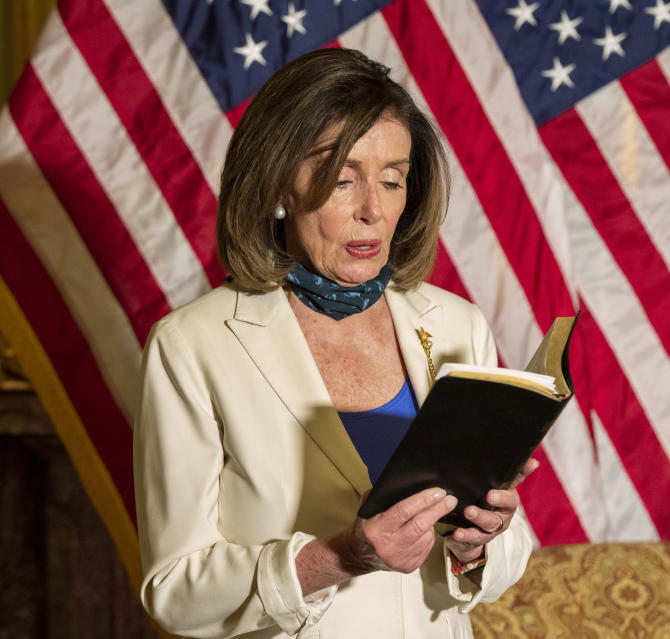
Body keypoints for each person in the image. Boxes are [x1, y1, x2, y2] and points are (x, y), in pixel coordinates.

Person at [134, 48, 536, 639]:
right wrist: (339, 557)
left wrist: (482, 541)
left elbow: (496, 571)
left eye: (392, 180)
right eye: (342, 179)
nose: (373, 210)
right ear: (278, 186)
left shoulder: (457, 325)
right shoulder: (191, 346)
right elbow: (171, 591)